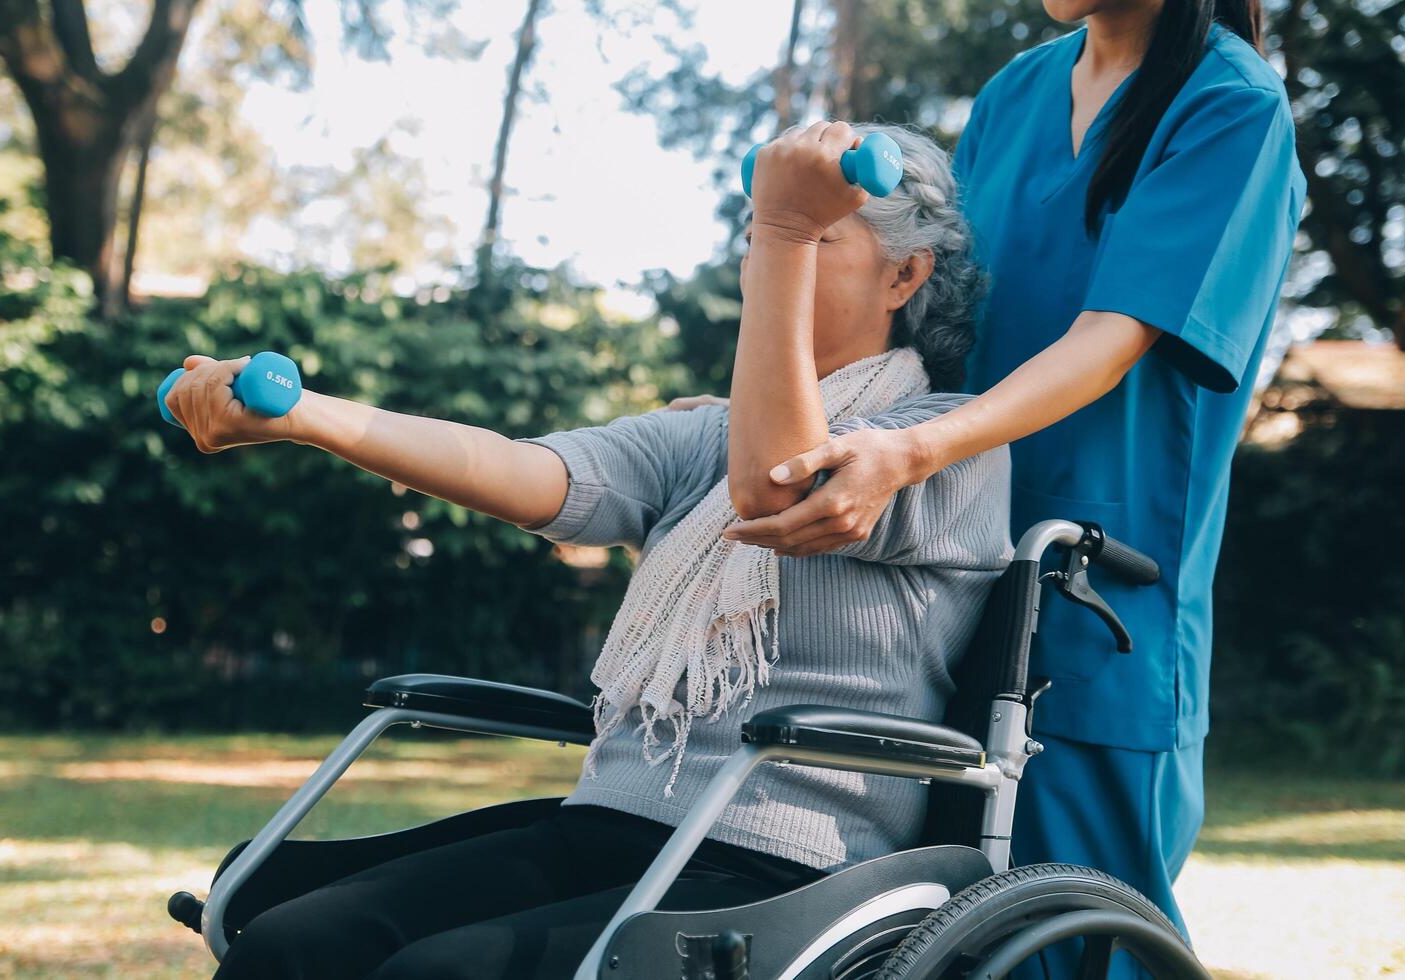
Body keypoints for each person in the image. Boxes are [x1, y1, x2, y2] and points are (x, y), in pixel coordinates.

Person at [165, 121, 1013, 979]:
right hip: (611, 825)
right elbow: (530, 470)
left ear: (905, 275)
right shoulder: (708, 439)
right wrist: (305, 416)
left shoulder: (941, 445)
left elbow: (782, 484)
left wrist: (785, 229)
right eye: (759, 239)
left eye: (809, 239)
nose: (768, 264)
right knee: (291, 942)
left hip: (780, 866)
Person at [715, 2, 1305, 976]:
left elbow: (1108, 342)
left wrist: (909, 455)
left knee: (1085, 932)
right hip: (946, 567)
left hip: (1097, 591)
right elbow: (935, 320)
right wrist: (782, 406)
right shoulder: (1016, 94)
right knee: (945, 926)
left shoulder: (1230, 105)